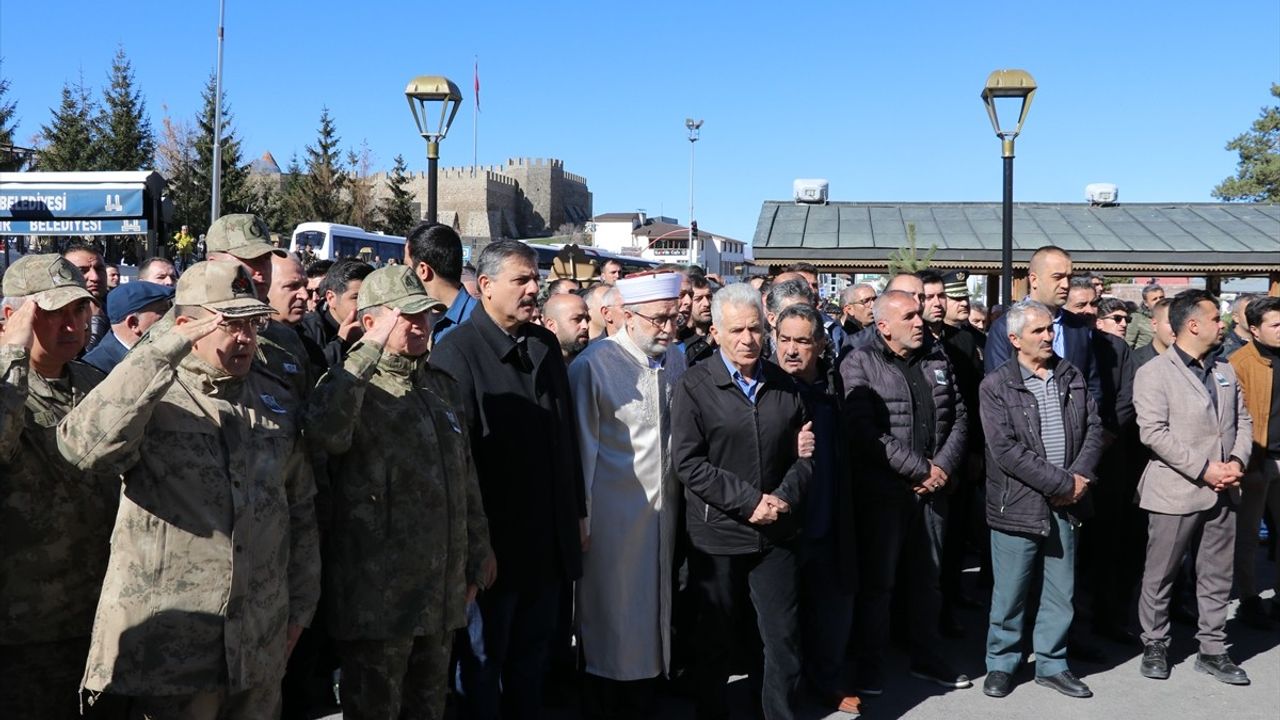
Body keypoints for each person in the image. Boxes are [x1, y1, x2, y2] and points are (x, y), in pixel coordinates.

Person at [57, 260, 321, 717]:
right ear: (186, 325)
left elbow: (298, 508)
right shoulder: (150, 393)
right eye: (228, 324)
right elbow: (83, 448)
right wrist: (162, 350)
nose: (245, 337)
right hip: (174, 650)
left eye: (251, 323)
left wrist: (300, 609)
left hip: (257, 641)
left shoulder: (273, 399)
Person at [305, 265, 493, 719]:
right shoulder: (349, 385)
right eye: (406, 316)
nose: (420, 324)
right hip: (378, 602)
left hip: (438, 593)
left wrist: (479, 548)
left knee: (428, 708)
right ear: (371, 322)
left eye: (426, 314)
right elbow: (326, 435)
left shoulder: (438, 386)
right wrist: (368, 348)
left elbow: (463, 475)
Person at [429, 240, 585, 720]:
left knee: (532, 664)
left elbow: (566, 439)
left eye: (535, 279)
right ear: (485, 286)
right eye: (522, 280)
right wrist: (477, 547)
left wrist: (576, 514)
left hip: (547, 544)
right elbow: (459, 461)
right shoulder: (456, 351)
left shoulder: (542, 346)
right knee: (481, 668)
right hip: (495, 548)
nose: (533, 289)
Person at [671, 282, 812, 720]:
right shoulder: (695, 385)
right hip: (719, 534)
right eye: (736, 330)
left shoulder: (784, 385)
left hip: (776, 531)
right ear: (715, 332)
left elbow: (806, 454)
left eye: (754, 329)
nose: (747, 339)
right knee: (715, 640)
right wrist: (750, 501)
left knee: (781, 638)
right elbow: (689, 463)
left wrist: (783, 499)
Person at [0, 255, 124, 720]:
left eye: (78, 310)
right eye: (51, 312)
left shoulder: (96, 383)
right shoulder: (8, 385)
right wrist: (10, 355)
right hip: (22, 629)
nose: (71, 324)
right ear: (12, 318)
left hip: (100, 617)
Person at [568, 272, 687, 718]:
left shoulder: (674, 359)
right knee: (613, 615)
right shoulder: (594, 365)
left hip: (665, 514)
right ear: (628, 316)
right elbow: (582, 447)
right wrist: (582, 517)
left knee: (654, 612)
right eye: (658, 320)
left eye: (672, 318)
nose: (667, 329)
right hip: (611, 520)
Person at [842, 289, 971, 695]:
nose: (920, 321)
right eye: (910, 316)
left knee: (927, 581)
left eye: (920, 314)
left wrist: (942, 468)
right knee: (879, 585)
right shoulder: (860, 362)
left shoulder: (936, 357)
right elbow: (864, 430)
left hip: (932, 493)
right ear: (883, 327)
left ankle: (926, 656)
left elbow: (960, 416)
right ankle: (870, 665)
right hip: (886, 494)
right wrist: (919, 469)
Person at [979, 299, 1104, 700]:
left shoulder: (1071, 375)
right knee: (1011, 592)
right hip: (1018, 503)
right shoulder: (996, 385)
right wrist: (1060, 483)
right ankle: (1002, 662)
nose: (1048, 336)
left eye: (1050, 329)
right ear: (1015, 339)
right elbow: (1006, 450)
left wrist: (1079, 477)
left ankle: (1052, 662)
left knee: (1059, 591)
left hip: (1068, 500)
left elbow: (1094, 429)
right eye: (1038, 331)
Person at [1133, 290, 1252, 686]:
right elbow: (1153, 432)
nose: (1225, 325)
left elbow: (1243, 421)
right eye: (1217, 318)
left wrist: (1236, 462)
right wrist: (1204, 469)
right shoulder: (1154, 372)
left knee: (1217, 574)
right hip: (1176, 490)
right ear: (1193, 325)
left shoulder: (1225, 369)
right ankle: (1155, 643)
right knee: (1161, 573)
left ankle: (1213, 649)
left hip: (1225, 489)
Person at [772, 302, 860, 715]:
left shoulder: (833, 386)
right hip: (782, 524)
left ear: (821, 344)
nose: (791, 350)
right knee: (782, 623)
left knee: (831, 609)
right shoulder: (767, 385)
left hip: (829, 515)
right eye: (784, 340)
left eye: (802, 341)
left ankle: (827, 681)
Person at [935, 270, 987, 634]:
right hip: (935, 455)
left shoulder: (970, 340)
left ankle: (951, 597)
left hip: (965, 449)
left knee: (955, 536)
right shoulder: (938, 343)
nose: (960, 304)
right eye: (957, 299)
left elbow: (973, 401)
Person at [985, 246, 1101, 403]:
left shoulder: (1078, 328)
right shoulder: (1004, 327)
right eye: (1057, 277)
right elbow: (999, 388)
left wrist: (1084, 421)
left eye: (1069, 277)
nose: (1066, 285)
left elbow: (1092, 385)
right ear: (1034, 280)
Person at [1227, 295, 1280, 629]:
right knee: (1246, 536)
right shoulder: (1240, 363)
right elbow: (1235, 417)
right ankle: (1248, 598)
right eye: (1275, 325)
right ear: (1255, 330)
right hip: (1256, 462)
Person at [402, 222, 477, 345]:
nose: (404, 274)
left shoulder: (478, 322)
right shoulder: (414, 318)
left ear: (423, 270)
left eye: (407, 267)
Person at [81, 281, 174, 375]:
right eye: (164, 312)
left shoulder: (157, 352)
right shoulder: (94, 369)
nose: (172, 319)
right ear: (133, 323)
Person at [297, 258, 374, 370]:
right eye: (357, 298)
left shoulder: (379, 327)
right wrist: (342, 343)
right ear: (331, 298)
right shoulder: (305, 331)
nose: (366, 304)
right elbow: (308, 377)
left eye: (372, 297)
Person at [62, 242, 110, 352]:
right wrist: (97, 321)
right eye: (82, 271)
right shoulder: (50, 315)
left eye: (99, 269)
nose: (95, 277)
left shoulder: (120, 308)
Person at [542, 292, 592, 363]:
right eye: (577, 319)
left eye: (587, 319)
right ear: (552, 326)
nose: (586, 326)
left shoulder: (598, 362)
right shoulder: (539, 367)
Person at [1133, 298, 1175, 368]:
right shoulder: (1134, 360)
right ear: (1154, 324)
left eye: (1181, 323)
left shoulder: (1191, 360)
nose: (1177, 327)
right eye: (1171, 322)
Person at [1126, 283, 1165, 349]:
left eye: (1161, 297)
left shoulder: (1170, 315)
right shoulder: (1137, 318)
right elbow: (1128, 342)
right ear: (1146, 303)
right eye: (1155, 299)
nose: (1159, 301)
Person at [1220, 293, 1256, 358]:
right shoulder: (1222, 347)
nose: (1255, 316)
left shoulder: (1267, 343)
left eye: (1258, 312)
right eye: (1249, 312)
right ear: (1236, 317)